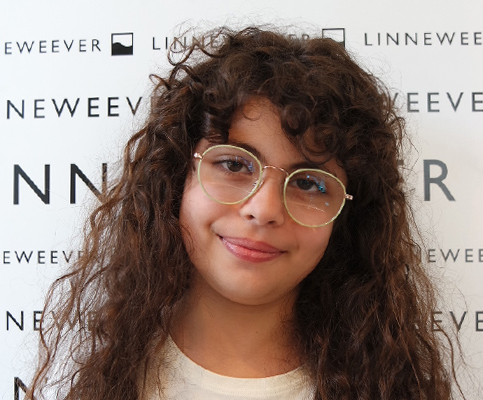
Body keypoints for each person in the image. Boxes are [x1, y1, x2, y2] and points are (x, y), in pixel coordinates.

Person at [27, 26, 460, 399]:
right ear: (177, 178)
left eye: (309, 183)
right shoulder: (111, 375)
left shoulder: (385, 384)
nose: (264, 209)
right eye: (234, 165)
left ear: (346, 217)